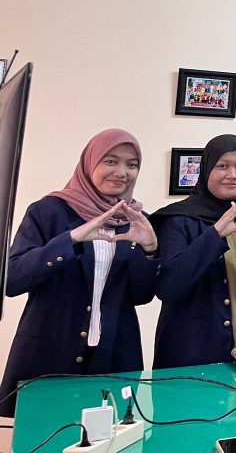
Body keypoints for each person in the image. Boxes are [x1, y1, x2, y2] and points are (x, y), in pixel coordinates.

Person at [0, 129, 158, 416]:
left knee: (111, 441)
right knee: (43, 437)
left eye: (132, 164)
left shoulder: (137, 221)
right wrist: (71, 238)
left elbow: (142, 295)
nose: (122, 172)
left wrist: (149, 249)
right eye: (110, 161)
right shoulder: (49, 212)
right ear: (89, 163)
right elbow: (12, 279)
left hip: (114, 356)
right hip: (49, 351)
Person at [150, 134, 236, 369]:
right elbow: (169, 287)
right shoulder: (177, 219)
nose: (232, 175)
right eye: (222, 166)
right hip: (190, 358)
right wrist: (214, 236)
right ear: (206, 170)